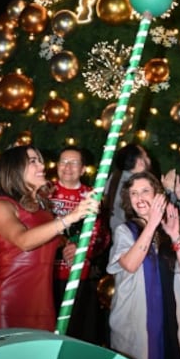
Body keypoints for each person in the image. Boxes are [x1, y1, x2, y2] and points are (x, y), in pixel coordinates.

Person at [0, 144, 99, 331]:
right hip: (11, 303)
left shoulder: (44, 210)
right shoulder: (1, 206)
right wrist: (70, 217)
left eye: (40, 161)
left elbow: (47, 239)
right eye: (33, 161)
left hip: (43, 305)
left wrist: (69, 245)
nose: (42, 166)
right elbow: (24, 241)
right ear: (15, 168)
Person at [107, 170, 180, 359]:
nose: (139, 198)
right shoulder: (126, 230)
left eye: (145, 191)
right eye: (133, 193)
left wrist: (175, 235)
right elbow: (130, 264)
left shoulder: (171, 228)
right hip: (137, 328)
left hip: (173, 324)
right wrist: (151, 224)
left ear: (157, 195)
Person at [50, 145, 110, 344]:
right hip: (46, 276)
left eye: (74, 163)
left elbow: (101, 234)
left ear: (83, 169)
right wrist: (60, 242)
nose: (68, 167)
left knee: (78, 335)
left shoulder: (92, 195)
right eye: (63, 162)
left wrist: (83, 249)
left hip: (79, 278)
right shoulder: (44, 193)